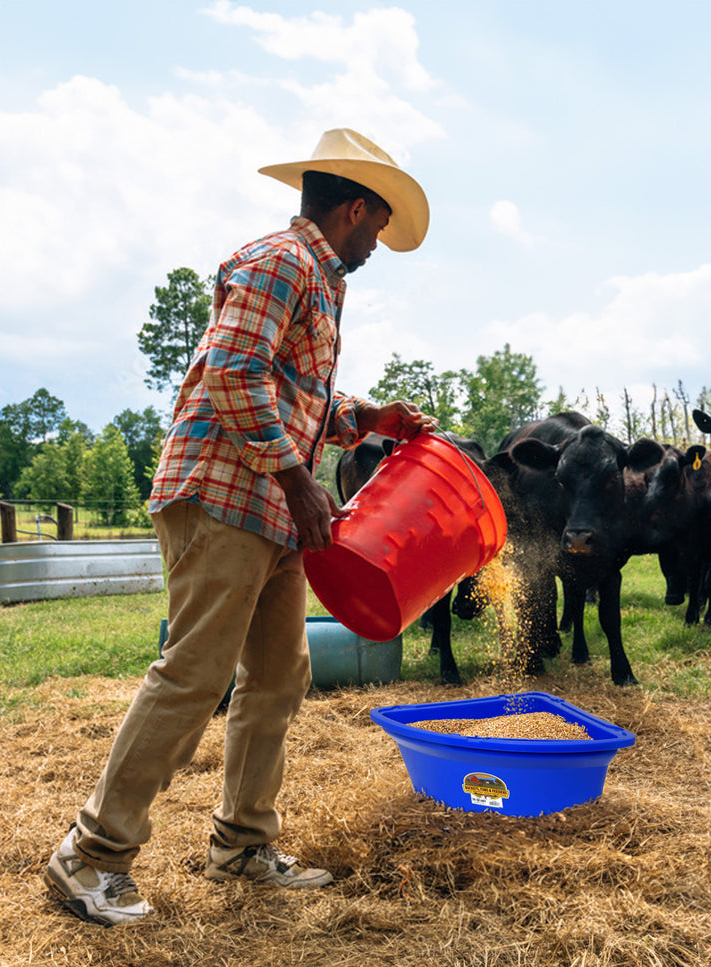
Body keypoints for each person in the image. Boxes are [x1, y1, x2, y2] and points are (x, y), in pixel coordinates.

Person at [45, 128, 436, 926]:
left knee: (278, 675)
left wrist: (369, 418)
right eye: (378, 225)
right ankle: (90, 855)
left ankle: (243, 842)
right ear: (354, 209)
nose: (378, 244)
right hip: (228, 494)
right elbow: (232, 372)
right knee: (194, 672)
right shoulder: (280, 261)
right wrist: (299, 483)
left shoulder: (320, 284)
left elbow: (293, 394)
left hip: (272, 508)